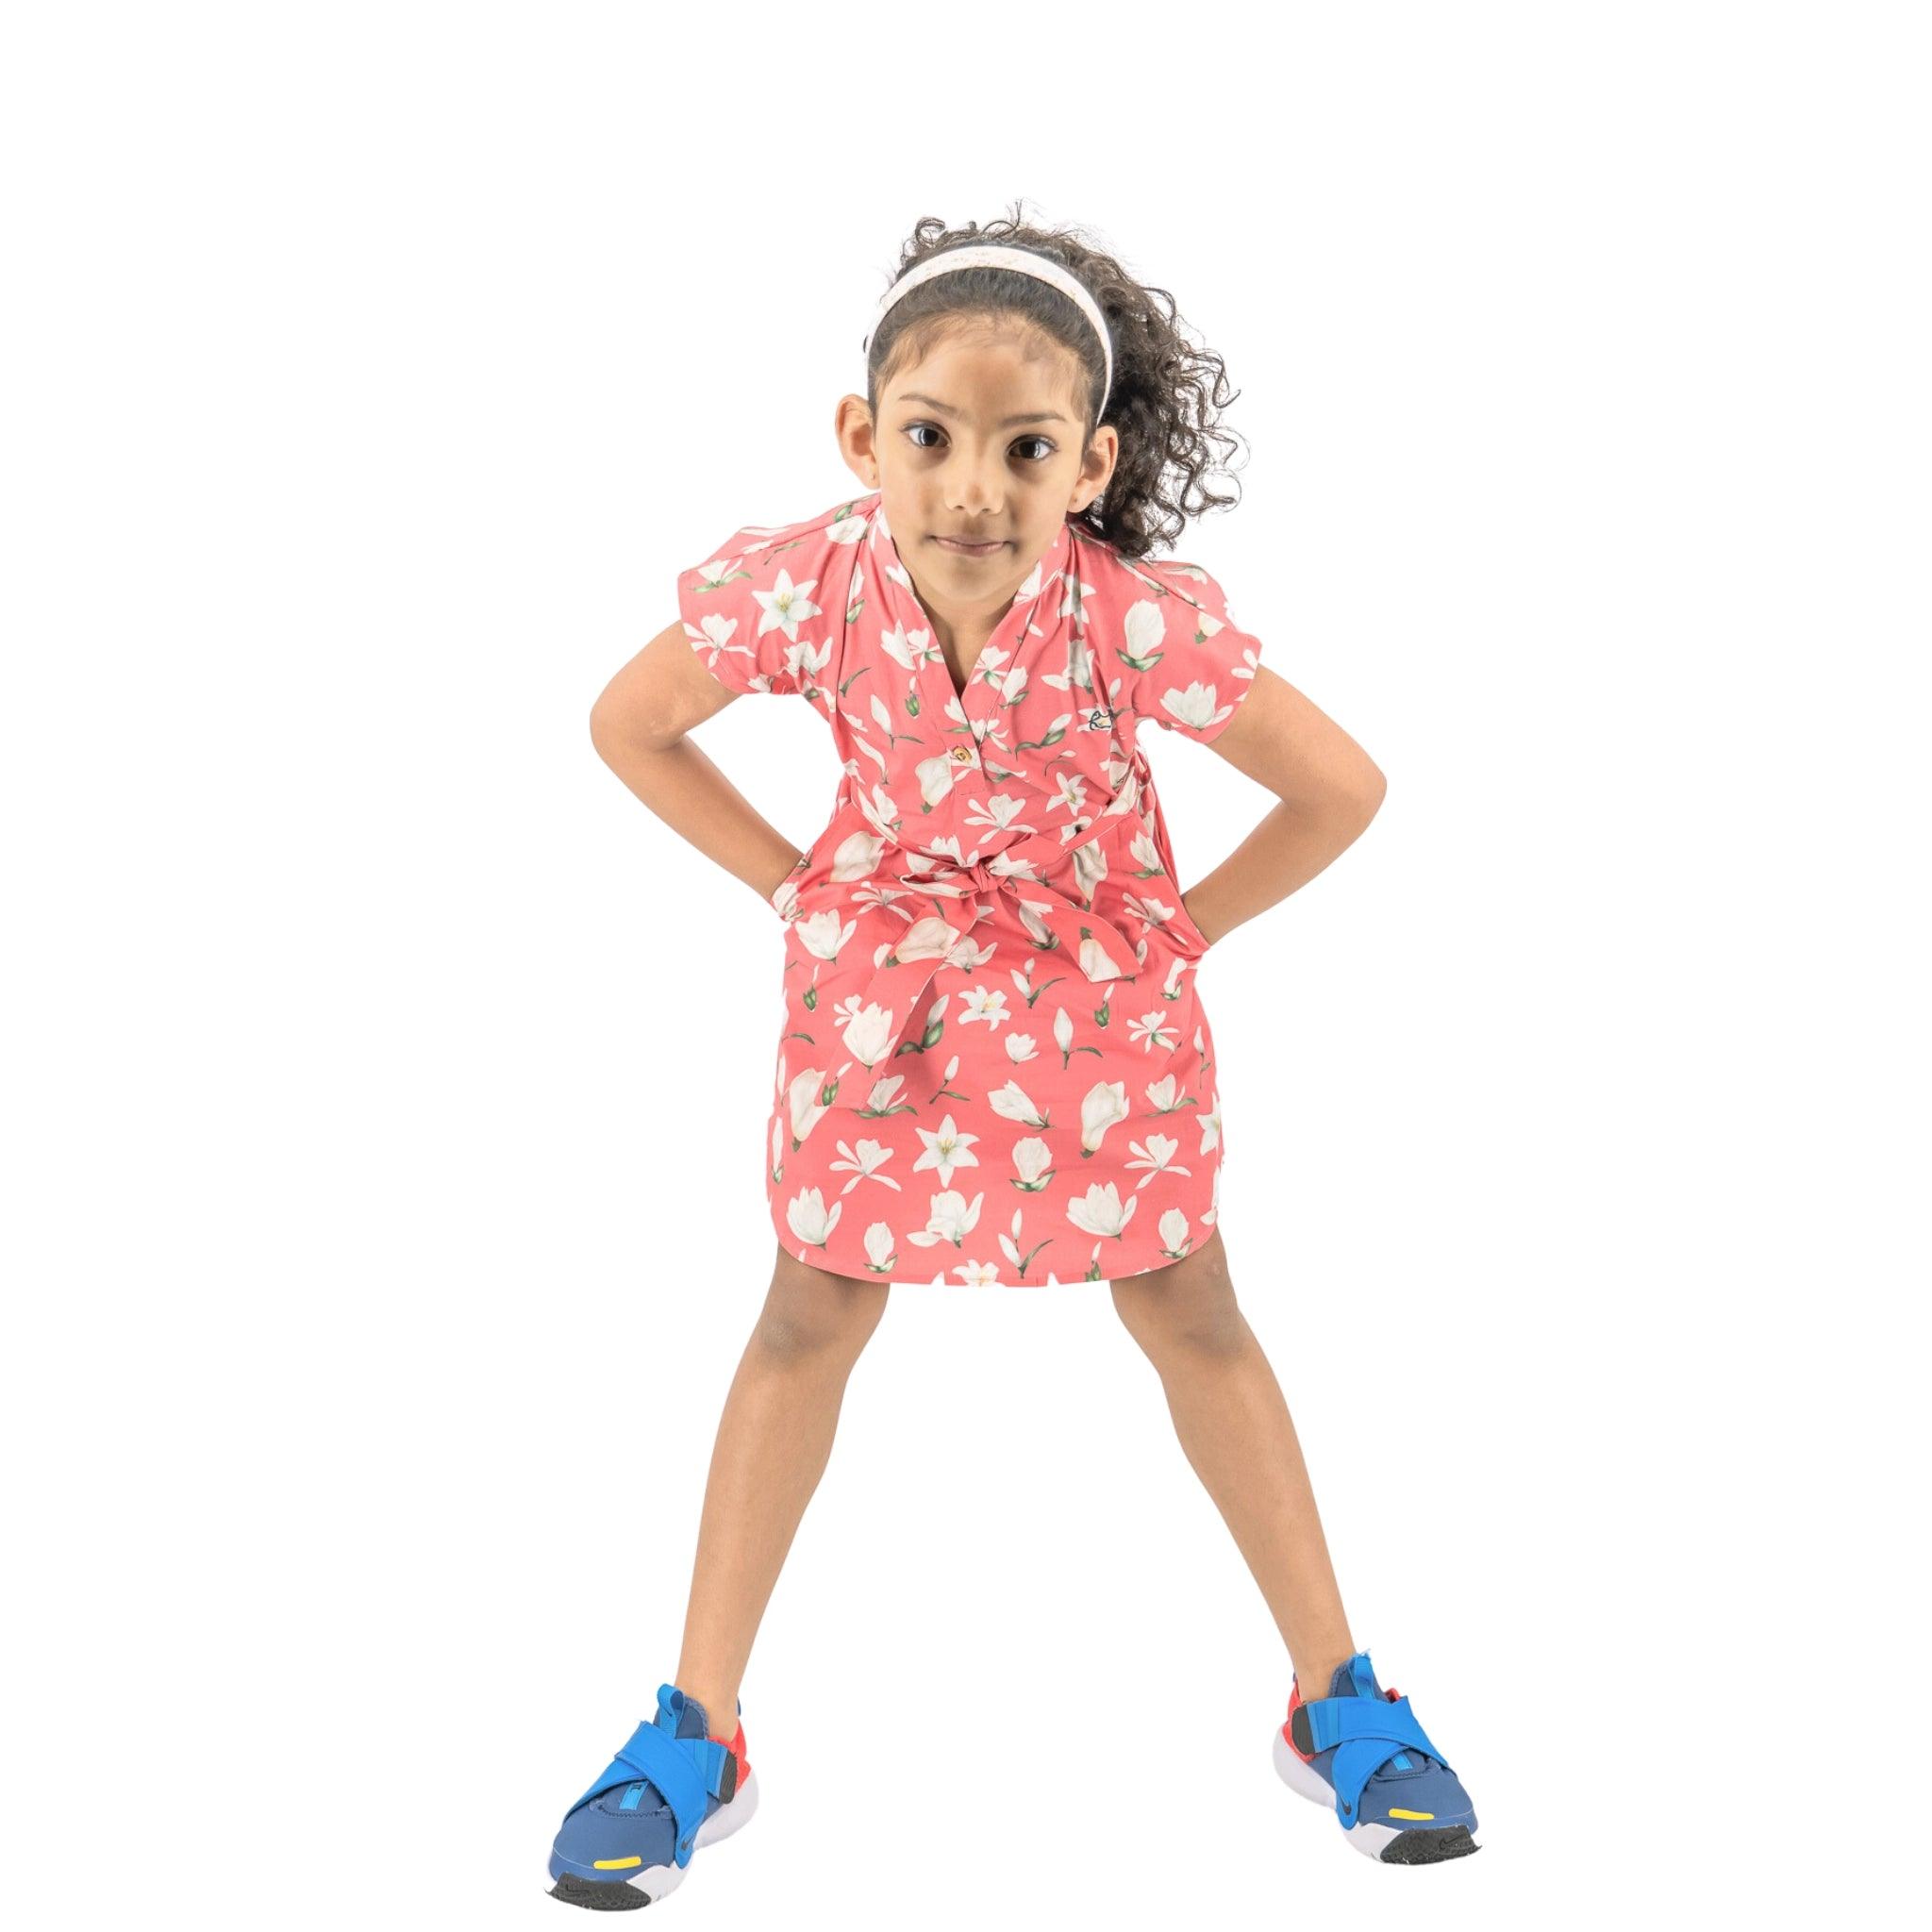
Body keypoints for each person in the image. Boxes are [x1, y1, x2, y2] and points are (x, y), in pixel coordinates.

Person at [545, 211, 1480, 1906]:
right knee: (807, 1310)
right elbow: (630, 721)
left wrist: (1176, 929)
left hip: (1099, 1007)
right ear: (863, 437)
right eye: (933, 438)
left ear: (1089, 463)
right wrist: (789, 881)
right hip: (876, 999)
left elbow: (1341, 786)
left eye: (1025, 448)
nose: (974, 487)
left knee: (1190, 1306)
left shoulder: (1126, 621)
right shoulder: (811, 587)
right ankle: (696, 1728)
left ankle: (1339, 1700)